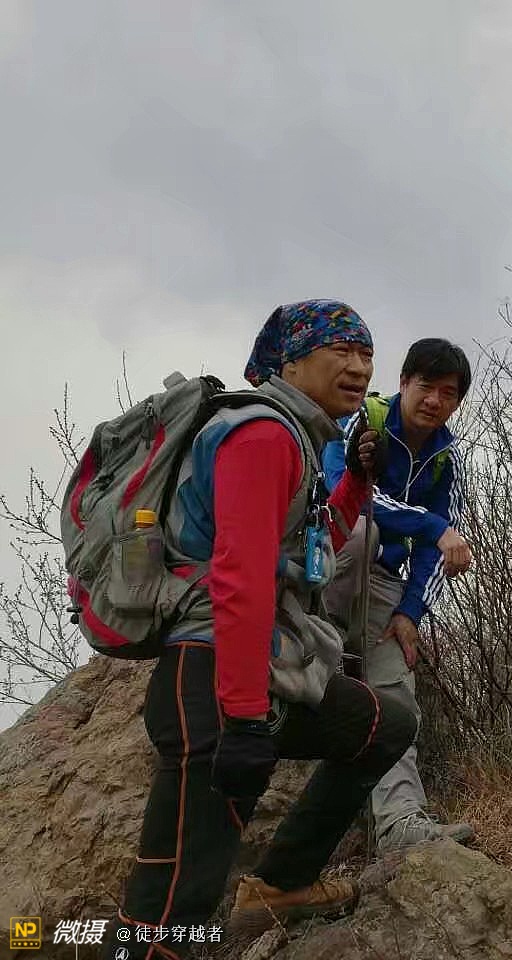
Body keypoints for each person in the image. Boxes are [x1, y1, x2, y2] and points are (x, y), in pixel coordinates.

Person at [104, 300, 418, 958]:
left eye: (366, 354)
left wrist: (358, 483)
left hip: (264, 674)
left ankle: (281, 886)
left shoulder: (299, 440)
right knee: (170, 911)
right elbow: (241, 576)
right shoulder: (262, 435)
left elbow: (306, 556)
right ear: (292, 361)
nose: (360, 366)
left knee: (385, 725)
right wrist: (245, 721)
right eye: (341, 350)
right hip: (213, 681)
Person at [322, 338, 475, 853]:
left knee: (396, 693)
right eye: (426, 386)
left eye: (448, 393)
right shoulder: (361, 421)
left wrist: (411, 612)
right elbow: (347, 495)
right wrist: (434, 527)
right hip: (326, 561)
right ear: (404, 381)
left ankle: (400, 822)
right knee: (363, 531)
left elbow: (438, 548)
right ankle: (318, 635)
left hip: (382, 581)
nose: (434, 400)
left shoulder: (443, 460)